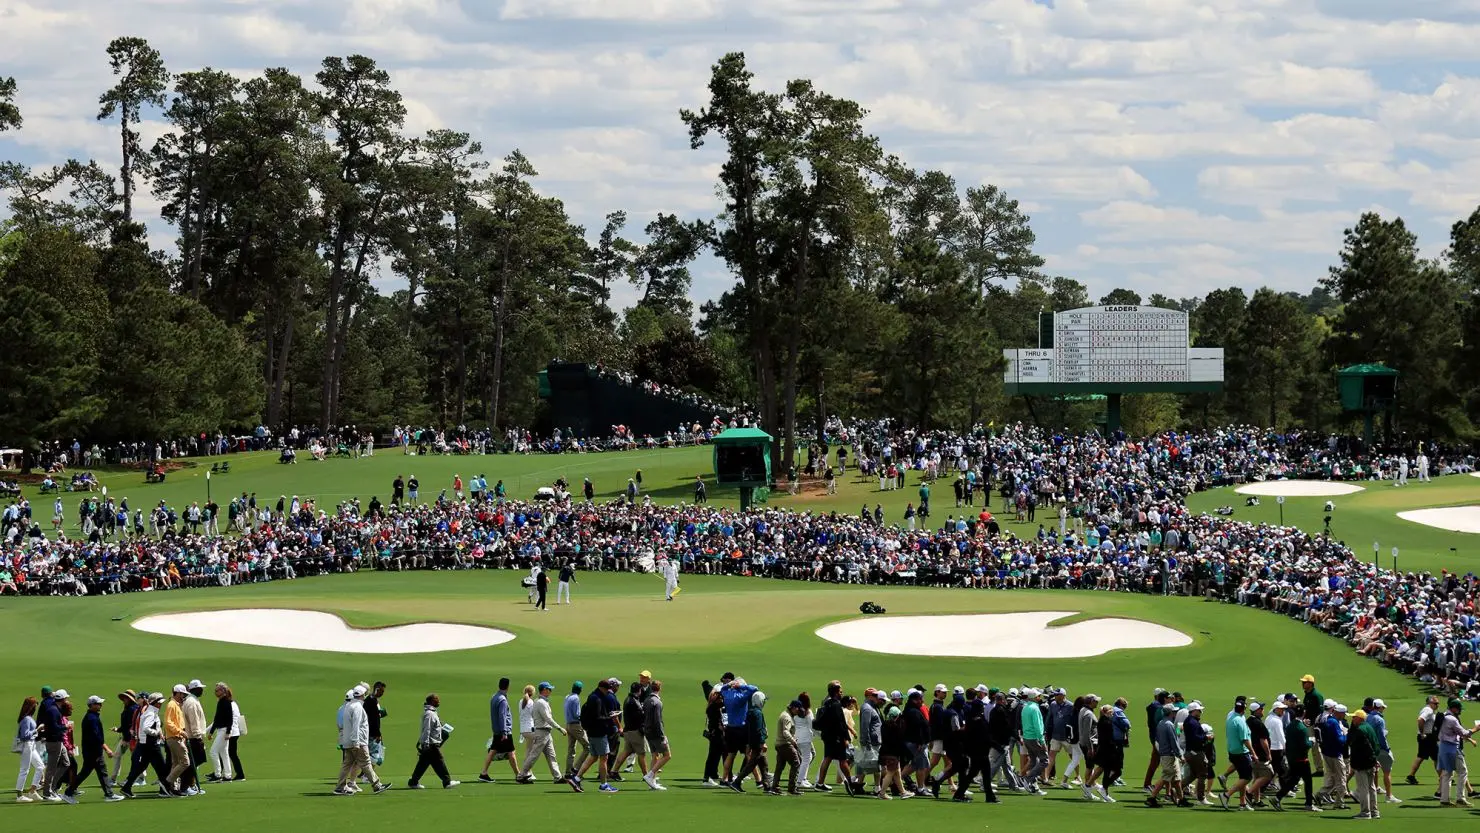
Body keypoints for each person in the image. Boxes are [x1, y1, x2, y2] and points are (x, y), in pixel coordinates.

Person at [62, 696, 123, 802]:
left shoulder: (92, 717)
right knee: (89, 773)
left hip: (92, 751)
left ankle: (108, 794)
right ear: (92, 705)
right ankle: (68, 793)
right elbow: (96, 737)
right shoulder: (91, 718)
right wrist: (107, 749)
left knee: (99, 772)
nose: (101, 705)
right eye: (98, 703)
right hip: (93, 752)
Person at [335, 686, 389, 795]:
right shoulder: (358, 707)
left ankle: (340, 787)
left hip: (348, 741)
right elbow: (356, 726)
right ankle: (377, 785)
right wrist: (356, 742)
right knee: (366, 763)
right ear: (362, 695)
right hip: (358, 741)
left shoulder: (348, 706)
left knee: (346, 765)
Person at [407, 694, 458, 789]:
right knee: (439, 761)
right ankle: (447, 782)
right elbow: (427, 729)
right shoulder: (430, 714)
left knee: (423, 763)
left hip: (430, 743)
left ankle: (413, 782)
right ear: (431, 701)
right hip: (431, 744)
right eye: (436, 699)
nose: (439, 701)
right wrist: (426, 744)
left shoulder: (431, 713)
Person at [517, 683, 564, 784]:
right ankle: (521, 775)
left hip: (545, 732)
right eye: (549, 689)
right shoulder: (541, 703)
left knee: (551, 755)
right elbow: (548, 718)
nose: (551, 691)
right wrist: (559, 728)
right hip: (542, 732)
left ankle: (558, 776)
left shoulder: (538, 701)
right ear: (544, 690)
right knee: (534, 755)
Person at [1437, 698, 1474, 806]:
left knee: (1447, 773)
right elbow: (1464, 733)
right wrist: (1475, 729)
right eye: (1458, 709)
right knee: (1463, 771)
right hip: (1452, 748)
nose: (1460, 711)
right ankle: (1460, 798)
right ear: (1454, 708)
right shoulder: (1452, 719)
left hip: (1443, 747)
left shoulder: (1443, 715)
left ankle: (1444, 800)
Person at [479, 678, 517, 783]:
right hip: (504, 731)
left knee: (493, 751)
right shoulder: (503, 700)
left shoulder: (494, 697)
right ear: (508, 686)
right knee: (511, 753)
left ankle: (483, 773)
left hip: (496, 730)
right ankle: (518, 775)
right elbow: (502, 716)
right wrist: (504, 732)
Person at [1220, 698, 1254, 810]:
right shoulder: (1239, 721)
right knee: (1247, 777)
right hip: (1241, 753)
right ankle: (1226, 795)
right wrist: (1254, 753)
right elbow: (1245, 739)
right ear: (1243, 709)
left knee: (1242, 777)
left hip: (1233, 752)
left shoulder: (1231, 717)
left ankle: (1242, 803)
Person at [1348, 710, 1381, 819]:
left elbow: (1360, 747)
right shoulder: (1369, 728)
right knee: (1371, 787)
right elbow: (1375, 745)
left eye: (1354, 717)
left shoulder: (1360, 730)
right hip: (1371, 762)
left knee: (1363, 788)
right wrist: (1375, 759)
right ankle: (1374, 811)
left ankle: (1365, 812)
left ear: (1360, 718)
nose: (1352, 719)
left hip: (1362, 763)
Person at [207, 683, 240, 782]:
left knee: (213, 752)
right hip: (222, 729)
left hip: (224, 730)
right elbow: (217, 719)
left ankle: (217, 774)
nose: (215, 692)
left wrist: (228, 732)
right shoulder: (221, 701)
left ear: (223, 691)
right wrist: (211, 732)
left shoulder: (226, 702)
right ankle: (228, 775)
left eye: (217, 690)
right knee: (224, 753)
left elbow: (229, 719)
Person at [14, 697, 44, 801]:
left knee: (40, 766)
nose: (35, 708)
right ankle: (19, 795)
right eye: (34, 705)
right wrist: (37, 730)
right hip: (27, 744)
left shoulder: (28, 718)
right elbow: (25, 735)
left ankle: (32, 791)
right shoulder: (26, 719)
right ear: (30, 707)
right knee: (24, 769)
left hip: (31, 744)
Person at [1406, 695, 1440, 785]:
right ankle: (1411, 776)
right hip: (1426, 737)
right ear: (1429, 703)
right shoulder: (1428, 710)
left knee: (1434, 757)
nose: (1437, 705)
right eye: (1435, 703)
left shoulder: (1429, 710)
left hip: (1429, 737)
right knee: (1425, 756)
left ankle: (1443, 777)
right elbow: (1420, 720)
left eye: (1438, 703)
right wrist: (1422, 733)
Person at [642, 681, 670, 791]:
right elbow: (658, 721)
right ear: (659, 688)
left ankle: (652, 782)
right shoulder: (657, 702)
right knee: (667, 755)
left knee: (655, 755)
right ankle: (650, 775)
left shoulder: (647, 700)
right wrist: (663, 736)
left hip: (648, 731)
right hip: (656, 733)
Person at [774, 698, 803, 795]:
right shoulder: (787, 717)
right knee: (796, 763)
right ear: (794, 708)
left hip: (779, 744)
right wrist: (793, 741)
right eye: (798, 709)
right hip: (785, 744)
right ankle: (792, 787)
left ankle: (775, 786)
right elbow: (785, 731)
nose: (799, 711)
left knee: (780, 766)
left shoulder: (785, 714)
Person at [563, 682, 588, 779]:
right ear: (580, 689)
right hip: (576, 726)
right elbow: (577, 714)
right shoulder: (576, 698)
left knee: (571, 749)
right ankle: (576, 769)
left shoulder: (567, 697)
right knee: (587, 747)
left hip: (568, 725)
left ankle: (568, 772)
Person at [364, 681, 385, 771]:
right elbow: (373, 719)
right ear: (377, 689)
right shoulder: (372, 701)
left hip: (368, 731)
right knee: (374, 755)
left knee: (368, 754)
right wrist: (378, 733)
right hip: (372, 732)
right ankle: (367, 775)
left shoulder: (370, 699)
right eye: (381, 691)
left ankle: (365, 774)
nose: (382, 694)